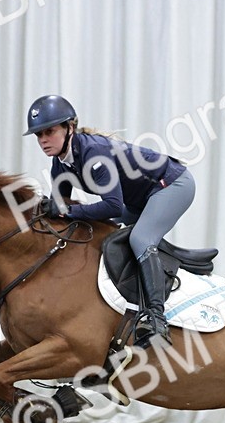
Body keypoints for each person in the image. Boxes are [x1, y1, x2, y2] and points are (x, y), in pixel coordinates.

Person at [24, 94, 195, 348]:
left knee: (140, 238)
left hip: (172, 185)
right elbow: (58, 211)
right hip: (142, 198)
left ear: (70, 127)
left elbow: (112, 206)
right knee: (104, 230)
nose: (43, 140)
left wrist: (69, 212)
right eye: (38, 135)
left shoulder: (94, 153)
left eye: (49, 131)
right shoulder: (60, 164)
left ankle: (157, 319)